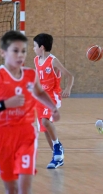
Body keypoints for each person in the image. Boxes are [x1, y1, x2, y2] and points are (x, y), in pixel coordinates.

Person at [0, 30, 60, 193]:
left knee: (24, 188)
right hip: (2, 136)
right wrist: (4, 104)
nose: (20, 55)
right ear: (4, 53)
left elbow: (39, 93)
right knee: (11, 189)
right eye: (15, 51)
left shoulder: (30, 74)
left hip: (26, 135)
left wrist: (53, 107)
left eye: (24, 51)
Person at [33, 33, 74, 169]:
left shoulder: (53, 61)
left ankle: (57, 145)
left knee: (46, 121)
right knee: (45, 129)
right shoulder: (36, 60)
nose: (33, 48)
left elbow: (70, 76)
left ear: (42, 47)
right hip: (41, 97)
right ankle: (57, 157)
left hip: (52, 96)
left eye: (34, 46)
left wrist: (67, 88)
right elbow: (38, 79)